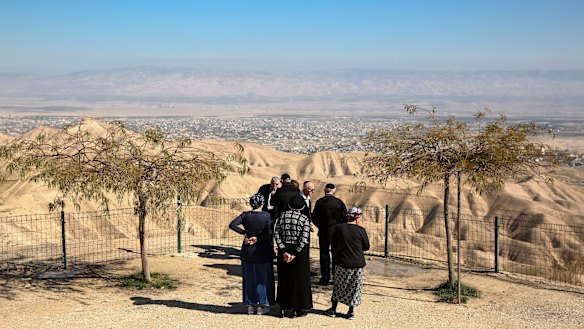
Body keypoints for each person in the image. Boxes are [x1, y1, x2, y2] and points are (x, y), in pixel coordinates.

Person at [228, 194, 275, 315]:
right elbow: (270, 233)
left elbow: (232, 224)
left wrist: (244, 233)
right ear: (262, 203)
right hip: (263, 252)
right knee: (263, 279)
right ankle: (262, 305)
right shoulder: (266, 216)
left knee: (249, 279)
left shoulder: (245, 215)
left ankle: (250, 305)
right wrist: (258, 239)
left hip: (248, 251)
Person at [325, 207, 370, 320]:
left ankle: (333, 309)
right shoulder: (361, 230)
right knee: (354, 287)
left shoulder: (339, 228)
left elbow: (333, 242)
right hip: (357, 263)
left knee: (339, 285)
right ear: (357, 217)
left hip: (342, 261)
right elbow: (366, 247)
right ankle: (350, 312)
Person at [274, 194, 313, 318]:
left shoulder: (282, 216)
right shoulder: (304, 219)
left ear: (289, 205)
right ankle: (300, 308)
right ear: (302, 206)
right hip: (299, 254)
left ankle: (284, 307)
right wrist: (295, 253)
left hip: (284, 251)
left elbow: (277, 234)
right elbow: (304, 239)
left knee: (284, 279)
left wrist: (284, 250)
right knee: (300, 280)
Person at [311, 183, 347, 285]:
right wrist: (339, 227)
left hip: (323, 232)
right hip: (336, 233)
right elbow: (345, 217)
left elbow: (314, 217)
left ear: (324, 190)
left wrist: (320, 226)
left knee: (324, 255)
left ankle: (325, 278)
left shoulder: (320, 202)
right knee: (336, 255)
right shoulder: (339, 203)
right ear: (334, 191)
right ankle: (336, 278)